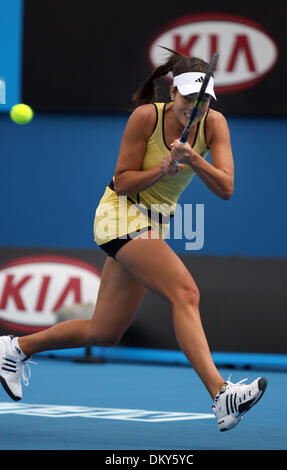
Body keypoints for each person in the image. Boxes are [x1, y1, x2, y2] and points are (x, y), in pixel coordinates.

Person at [0, 48, 267, 432]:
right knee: (185, 293)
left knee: (103, 331)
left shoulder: (215, 125)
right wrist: (161, 170)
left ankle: (15, 348)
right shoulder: (146, 117)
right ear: (173, 91)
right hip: (119, 214)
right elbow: (123, 182)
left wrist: (195, 160)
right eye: (190, 97)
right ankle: (220, 393)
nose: (197, 106)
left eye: (204, 99)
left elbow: (226, 188)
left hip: (155, 223)